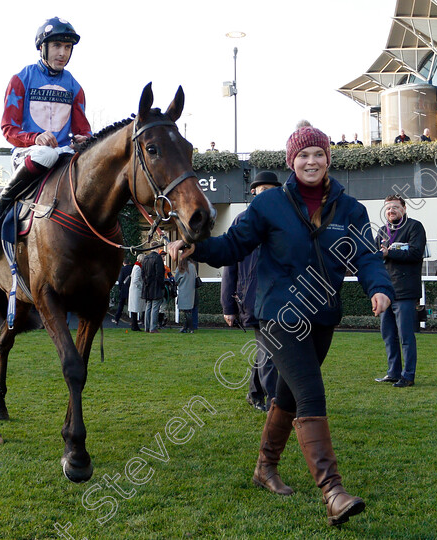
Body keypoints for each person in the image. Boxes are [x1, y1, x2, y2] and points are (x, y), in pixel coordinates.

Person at [167, 126, 394, 526]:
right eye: (303, 155)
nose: (311, 162)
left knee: (287, 398)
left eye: (318, 155)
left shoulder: (352, 210)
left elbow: (368, 257)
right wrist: (196, 246)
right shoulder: (269, 204)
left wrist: (379, 287)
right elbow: (232, 246)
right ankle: (333, 491)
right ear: (292, 162)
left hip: (322, 316)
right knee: (310, 392)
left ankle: (264, 468)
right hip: (280, 317)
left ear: (328, 159)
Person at [0, 17, 92, 232]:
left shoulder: (75, 87)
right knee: (46, 154)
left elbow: (83, 130)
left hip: (64, 154)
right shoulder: (21, 79)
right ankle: (1, 202)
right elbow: (9, 129)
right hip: (29, 154)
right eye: (56, 46)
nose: (62, 53)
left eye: (67, 47)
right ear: (42, 47)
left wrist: (84, 139)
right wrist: (35, 138)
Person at [221, 171, 282, 413]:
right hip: (253, 298)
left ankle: (255, 393)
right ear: (253, 192)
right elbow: (229, 263)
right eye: (261, 189)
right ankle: (273, 402)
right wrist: (228, 306)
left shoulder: (284, 220)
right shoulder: (242, 221)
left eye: (270, 189)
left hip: (281, 297)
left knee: (268, 349)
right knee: (270, 352)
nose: (264, 194)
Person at [375, 194, 427, 388]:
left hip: (405, 290)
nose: (391, 211)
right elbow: (374, 258)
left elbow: (415, 252)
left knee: (405, 335)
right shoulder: (381, 231)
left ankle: (408, 375)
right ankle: (393, 372)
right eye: (388, 208)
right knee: (388, 334)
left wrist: (390, 252)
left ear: (404, 209)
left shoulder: (414, 227)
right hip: (386, 291)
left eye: (395, 207)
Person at [141, 248, 166, 333]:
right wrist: (162, 285)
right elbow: (159, 273)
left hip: (147, 286)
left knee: (148, 306)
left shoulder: (145, 258)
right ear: (157, 249)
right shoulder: (157, 258)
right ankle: (153, 327)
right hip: (156, 286)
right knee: (155, 307)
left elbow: (142, 273)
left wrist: (146, 282)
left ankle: (147, 327)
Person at [174, 259, 197, 333]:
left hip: (183, 290)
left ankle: (190, 328)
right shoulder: (193, 266)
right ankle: (185, 327)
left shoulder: (181, 267)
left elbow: (176, 279)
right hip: (191, 291)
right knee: (188, 310)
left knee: (186, 311)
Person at [128, 255, 145, 331]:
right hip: (136, 290)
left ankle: (134, 325)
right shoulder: (138, 268)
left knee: (134, 309)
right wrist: (141, 287)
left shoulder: (136, 266)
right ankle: (134, 326)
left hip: (134, 290)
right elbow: (136, 280)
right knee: (135, 308)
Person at [112, 260, 133, 325]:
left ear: (123, 263)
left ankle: (116, 319)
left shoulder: (122, 269)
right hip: (131, 288)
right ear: (129, 263)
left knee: (121, 305)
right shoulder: (132, 268)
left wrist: (120, 288)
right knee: (132, 305)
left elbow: (120, 280)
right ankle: (133, 320)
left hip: (124, 288)